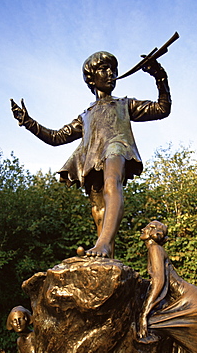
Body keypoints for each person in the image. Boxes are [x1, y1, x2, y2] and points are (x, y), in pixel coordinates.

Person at [11, 51, 171, 258]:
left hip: (117, 147)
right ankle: (106, 255)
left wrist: (160, 77)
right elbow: (56, 137)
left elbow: (162, 108)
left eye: (112, 69)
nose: (110, 73)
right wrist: (28, 123)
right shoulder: (85, 116)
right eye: (103, 69)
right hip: (93, 159)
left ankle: (103, 244)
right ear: (91, 78)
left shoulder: (124, 104)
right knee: (99, 210)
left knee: (113, 182)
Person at [138, 220, 197, 353]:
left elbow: (159, 282)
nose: (142, 229)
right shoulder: (156, 249)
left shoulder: (155, 249)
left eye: (147, 227)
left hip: (193, 303)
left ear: (153, 232)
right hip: (196, 299)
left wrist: (144, 313)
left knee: (149, 323)